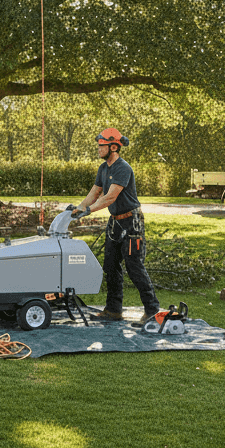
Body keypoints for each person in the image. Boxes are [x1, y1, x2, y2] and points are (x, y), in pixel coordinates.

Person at [71, 128, 160, 323]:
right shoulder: (103, 168)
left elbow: (110, 197)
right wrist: (79, 208)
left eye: (101, 146)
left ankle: (152, 309)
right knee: (110, 265)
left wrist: (89, 211)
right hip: (115, 223)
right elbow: (95, 192)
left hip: (131, 222)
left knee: (134, 266)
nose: (98, 150)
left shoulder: (122, 168)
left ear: (113, 147)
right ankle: (113, 310)